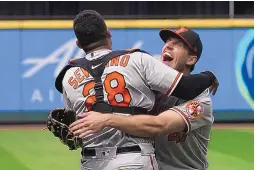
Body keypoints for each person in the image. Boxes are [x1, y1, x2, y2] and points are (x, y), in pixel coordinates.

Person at [58, 9, 217, 170]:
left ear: (191, 59)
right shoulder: (148, 86)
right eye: (167, 42)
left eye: (177, 45)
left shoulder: (199, 101)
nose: (168, 46)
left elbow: (159, 125)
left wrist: (106, 118)